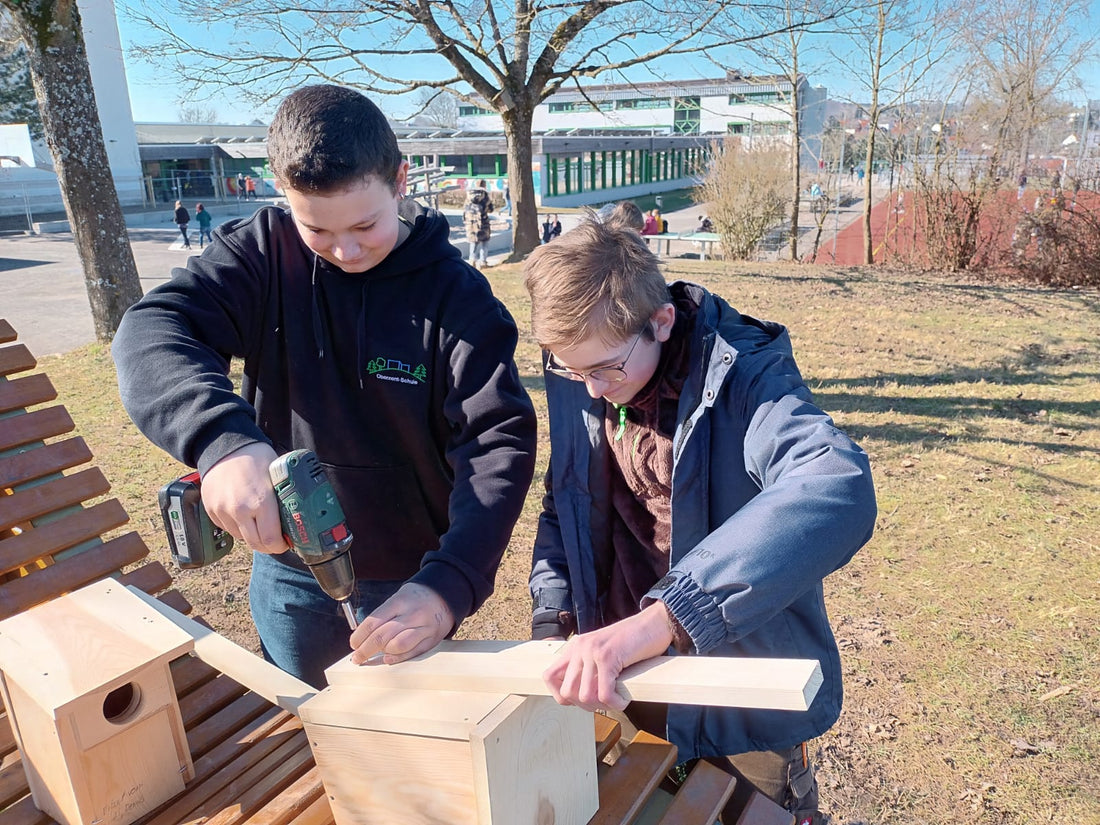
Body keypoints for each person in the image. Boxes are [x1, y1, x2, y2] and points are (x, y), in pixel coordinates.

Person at [113, 85, 538, 688]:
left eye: (365, 225)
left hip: (409, 577)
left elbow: (497, 443)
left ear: (400, 180)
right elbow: (151, 331)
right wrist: (221, 441)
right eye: (317, 228)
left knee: (401, 748)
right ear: (283, 195)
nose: (345, 249)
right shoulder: (262, 255)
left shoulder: (458, 300)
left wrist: (450, 585)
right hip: (289, 570)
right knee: (300, 729)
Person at [522, 217, 876, 825]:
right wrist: (553, 617)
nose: (592, 390)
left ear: (660, 322)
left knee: (755, 812)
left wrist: (669, 616)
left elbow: (836, 483)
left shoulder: (745, 376)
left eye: (604, 369)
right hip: (629, 676)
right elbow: (566, 499)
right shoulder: (590, 366)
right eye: (570, 371)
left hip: (738, 692)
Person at [463, 179, 494, 268]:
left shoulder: (469, 195)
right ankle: (483, 262)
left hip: (471, 223)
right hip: (483, 222)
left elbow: (465, 208)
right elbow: (490, 209)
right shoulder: (485, 196)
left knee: (473, 242)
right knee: (485, 242)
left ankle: (472, 260)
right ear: (484, 185)